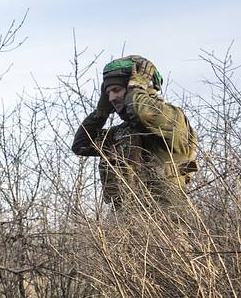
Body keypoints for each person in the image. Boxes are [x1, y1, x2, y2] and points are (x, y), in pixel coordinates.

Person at [71, 55, 197, 207]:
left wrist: (136, 88)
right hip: (126, 226)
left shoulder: (172, 118)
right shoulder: (120, 134)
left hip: (168, 225)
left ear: (144, 87)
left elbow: (143, 113)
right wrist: (101, 112)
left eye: (116, 90)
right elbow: (81, 145)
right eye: (107, 93)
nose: (111, 98)